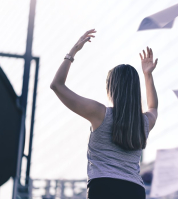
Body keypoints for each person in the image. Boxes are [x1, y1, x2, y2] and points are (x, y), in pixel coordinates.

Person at [50, 29, 158, 199]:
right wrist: (147, 75)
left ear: (111, 88)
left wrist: (72, 52)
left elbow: (57, 85)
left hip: (103, 187)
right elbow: (153, 107)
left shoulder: (99, 113)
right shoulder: (144, 122)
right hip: (134, 190)